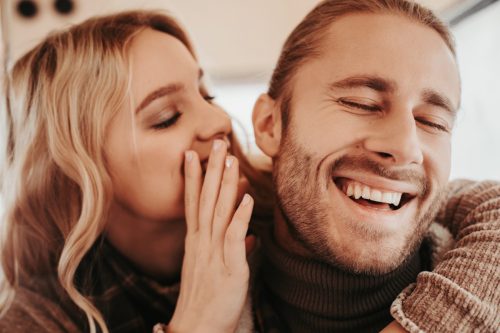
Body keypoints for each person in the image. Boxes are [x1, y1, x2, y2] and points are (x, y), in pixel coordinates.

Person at [0, 7, 497, 333]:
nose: (218, 121)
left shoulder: (281, 202)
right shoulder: (41, 314)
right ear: (77, 172)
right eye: (167, 117)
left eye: (208, 95)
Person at [249, 0, 500, 332]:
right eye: (361, 103)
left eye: (433, 122)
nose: (405, 146)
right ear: (269, 125)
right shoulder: (183, 304)